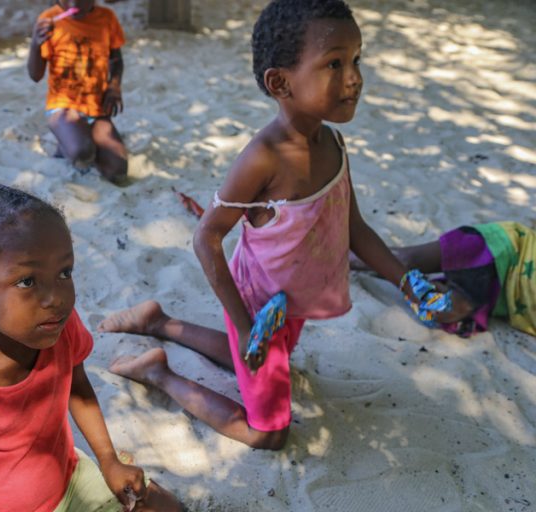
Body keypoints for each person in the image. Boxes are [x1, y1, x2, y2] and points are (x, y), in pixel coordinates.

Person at [98, 0, 432, 451]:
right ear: (280, 82)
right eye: (334, 63)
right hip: (256, 305)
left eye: (356, 59)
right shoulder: (264, 158)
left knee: (275, 357)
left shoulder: (333, 142)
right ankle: (157, 372)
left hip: (292, 299)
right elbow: (207, 237)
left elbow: (355, 228)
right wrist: (245, 325)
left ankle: (160, 323)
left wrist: (407, 282)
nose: (354, 77)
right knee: (269, 433)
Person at [0, 185, 181, 512]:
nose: (55, 298)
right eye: (27, 281)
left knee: (167, 507)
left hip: (70, 480)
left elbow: (78, 388)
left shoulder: (59, 329)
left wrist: (109, 461)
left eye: (64, 273)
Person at [351, 222, 536, 337]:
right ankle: (335, 255)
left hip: (502, 297)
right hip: (509, 249)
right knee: (407, 260)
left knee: (447, 309)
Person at [27, 0, 128, 183]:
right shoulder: (49, 20)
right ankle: (66, 138)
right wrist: (35, 43)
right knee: (82, 153)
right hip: (63, 107)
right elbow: (35, 75)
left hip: (97, 109)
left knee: (117, 170)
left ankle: (76, 136)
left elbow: (116, 59)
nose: (73, 3)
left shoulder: (106, 18)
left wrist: (114, 87)